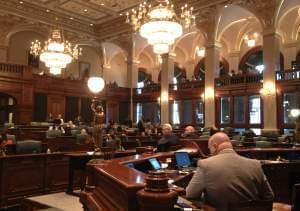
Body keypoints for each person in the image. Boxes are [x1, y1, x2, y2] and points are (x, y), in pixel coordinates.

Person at [186, 132, 274, 210]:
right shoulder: (255, 164)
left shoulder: (205, 164)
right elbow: (269, 196)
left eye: (209, 149)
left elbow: (190, 194)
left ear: (215, 146)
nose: (210, 153)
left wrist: (204, 196)